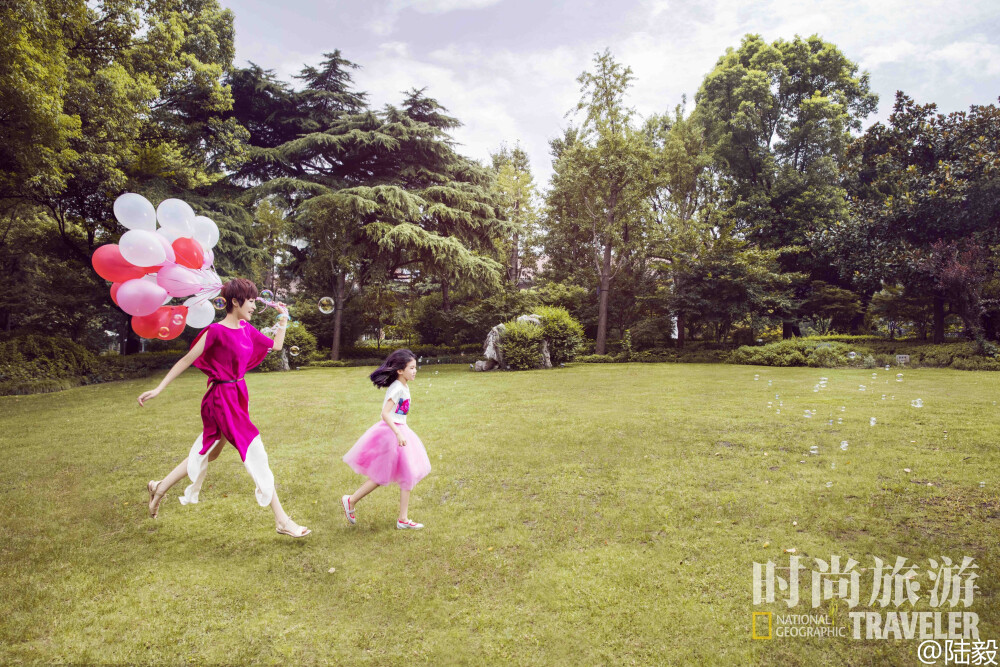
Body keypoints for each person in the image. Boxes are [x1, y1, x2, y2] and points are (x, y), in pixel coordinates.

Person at [137, 278, 310, 538]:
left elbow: (275, 345)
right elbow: (186, 359)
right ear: (234, 302)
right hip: (221, 399)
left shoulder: (245, 329)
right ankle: (282, 520)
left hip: (237, 395)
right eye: (250, 300)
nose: (253, 305)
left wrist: (283, 319)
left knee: (209, 452)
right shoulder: (215, 331)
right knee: (255, 453)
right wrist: (159, 388)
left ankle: (159, 487)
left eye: (254, 299)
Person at [341, 349, 431, 530]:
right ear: (400, 370)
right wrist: (398, 433)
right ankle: (351, 500)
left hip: (400, 430)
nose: (415, 371)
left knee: (405, 473)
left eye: (415, 367)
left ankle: (402, 518)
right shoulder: (398, 388)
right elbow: (385, 414)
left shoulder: (404, 385)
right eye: (411, 368)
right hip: (392, 433)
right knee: (386, 475)